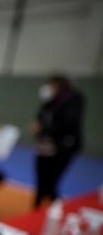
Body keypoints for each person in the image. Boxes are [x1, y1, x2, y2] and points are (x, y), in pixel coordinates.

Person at [32, 75, 84, 208]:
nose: (47, 88)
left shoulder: (73, 99)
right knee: (40, 179)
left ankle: (57, 209)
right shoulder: (50, 102)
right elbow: (41, 115)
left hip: (63, 147)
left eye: (50, 85)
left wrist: (44, 127)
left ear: (59, 86)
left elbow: (68, 122)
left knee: (51, 182)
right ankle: (36, 209)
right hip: (45, 145)